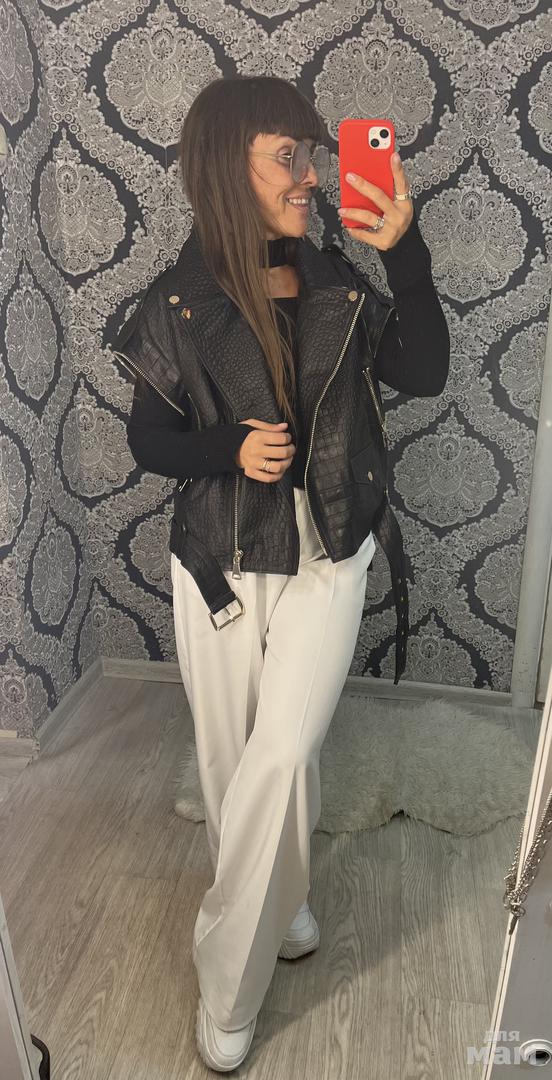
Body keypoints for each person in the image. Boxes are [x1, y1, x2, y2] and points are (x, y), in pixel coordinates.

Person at [112, 75, 450, 1072]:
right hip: (217, 559)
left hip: (327, 551)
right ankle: (284, 903)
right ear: (229, 167)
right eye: (288, 155)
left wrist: (406, 254)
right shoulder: (174, 303)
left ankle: (228, 989)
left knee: (281, 753)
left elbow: (424, 371)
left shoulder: (336, 279)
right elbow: (149, 442)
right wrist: (227, 447)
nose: (311, 175)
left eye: (313, 153)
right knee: (229, 763)